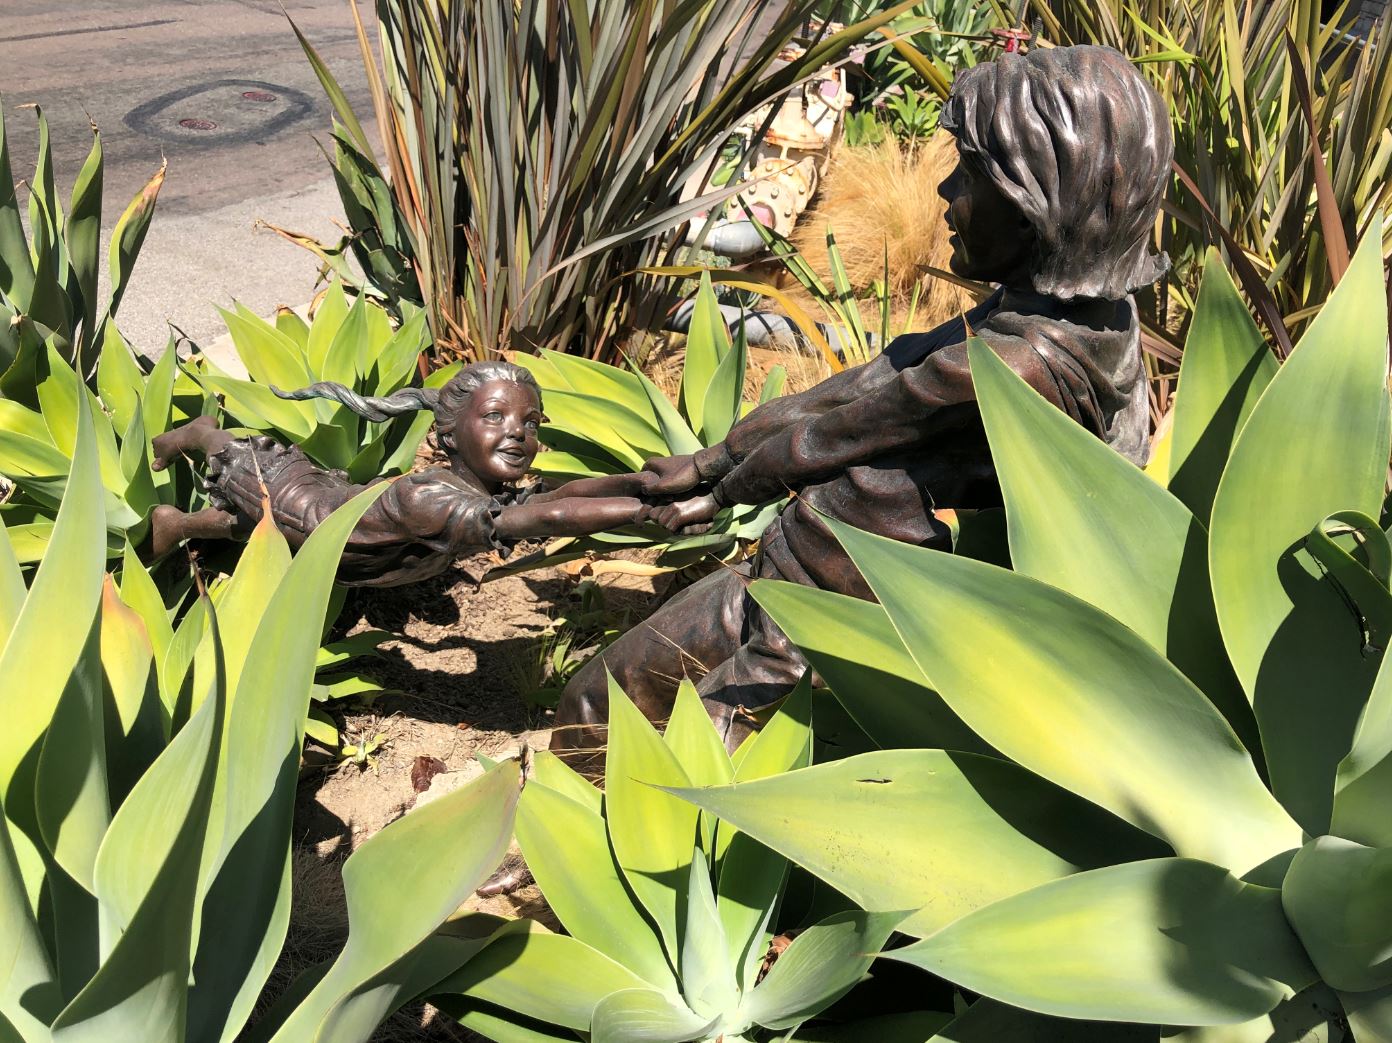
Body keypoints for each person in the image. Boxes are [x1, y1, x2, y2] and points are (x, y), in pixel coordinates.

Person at [550, 44, 1175, 764]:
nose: (944, 190)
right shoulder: (1077, 315)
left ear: (1039, 203)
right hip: (813, 570)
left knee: (648, 735)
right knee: (596, 704)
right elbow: (877, 375)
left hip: (831, 619)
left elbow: (842, 431)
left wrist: (717, 490)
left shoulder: (1017, 365)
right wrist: (709, 464)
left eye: (970, 174)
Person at [147, 361, 654, 585]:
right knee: (239, 458)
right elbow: (554, 516)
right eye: (495, 417)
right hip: (302, 508)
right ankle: (199, 431)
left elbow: (561, 496)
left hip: (350, 539)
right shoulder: (430, 498)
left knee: (253, 530)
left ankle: (176, 524)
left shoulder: (478, 494)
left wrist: (646, 482)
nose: (517, 432)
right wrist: (646, 511)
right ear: (449, 434)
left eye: (531, 422)